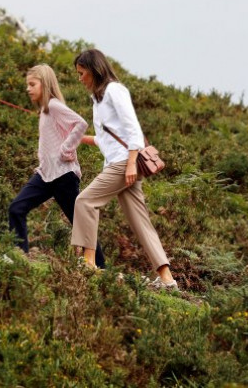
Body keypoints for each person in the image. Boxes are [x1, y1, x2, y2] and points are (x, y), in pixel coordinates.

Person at [70, 49, 177, 290]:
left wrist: (130, 164)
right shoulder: (98, 99)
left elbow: (133, 130)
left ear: (94, 70)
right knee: (141, 221)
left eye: (82, 73)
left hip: (123, 163)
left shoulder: (114, 91)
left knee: (85, 201)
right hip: (119, 161)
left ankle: (87, 262)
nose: (80, 79)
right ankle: (167, 278)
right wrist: (78, 138)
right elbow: (104, 139)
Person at [8, 64, 105, 267]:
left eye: (32, 84)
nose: (28, 89)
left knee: (80, 224)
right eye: (28, 84)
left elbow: (80, 124)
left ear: (45, 84)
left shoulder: (53, 105)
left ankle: (101, 268)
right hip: (45, 175)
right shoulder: (45, 111)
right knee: (17, 208)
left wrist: (66, 150)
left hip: (63, 176)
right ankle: (20, 258)